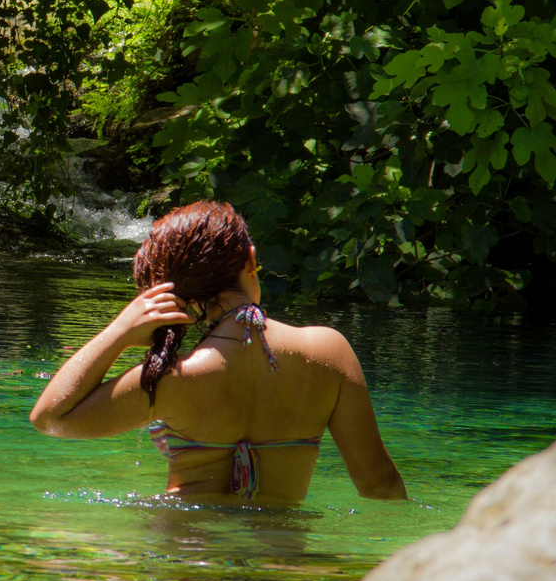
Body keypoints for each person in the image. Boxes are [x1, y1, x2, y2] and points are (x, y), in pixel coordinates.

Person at [29, 201, 406, 503]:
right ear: (250, 259)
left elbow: (50, 418)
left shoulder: (171, 379)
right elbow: (380, 486)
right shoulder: (329, 353)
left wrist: (119, 332)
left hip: (182, 566)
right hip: (280, 566)